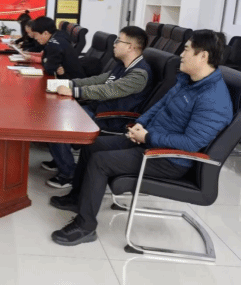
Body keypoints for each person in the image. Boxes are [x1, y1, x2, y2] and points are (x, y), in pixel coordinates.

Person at [49, 30, 233, 247]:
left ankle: (85, 226)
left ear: (203, 56)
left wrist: (148, 137)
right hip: (150, 141)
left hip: (170, 159)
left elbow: (190, 143)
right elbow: (159, 106)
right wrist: (141, 125)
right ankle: (77, 198)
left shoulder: (213, 99)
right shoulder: (187, 81)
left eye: (186, 50)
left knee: (100, 162)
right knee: (93, 146)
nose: (181, 55)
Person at [43, 26, 153, 189]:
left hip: (112, 119)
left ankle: (69, 173)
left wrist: (74, 91)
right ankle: (61, 158)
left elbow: (109, 90)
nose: (114, 44)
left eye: (118, 41)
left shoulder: (139, 74)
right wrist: (69, 83)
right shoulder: (123, 65)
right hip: (99, 109)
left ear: (130, 47)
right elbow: (99, 80)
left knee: (58, 123)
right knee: (54, 113)